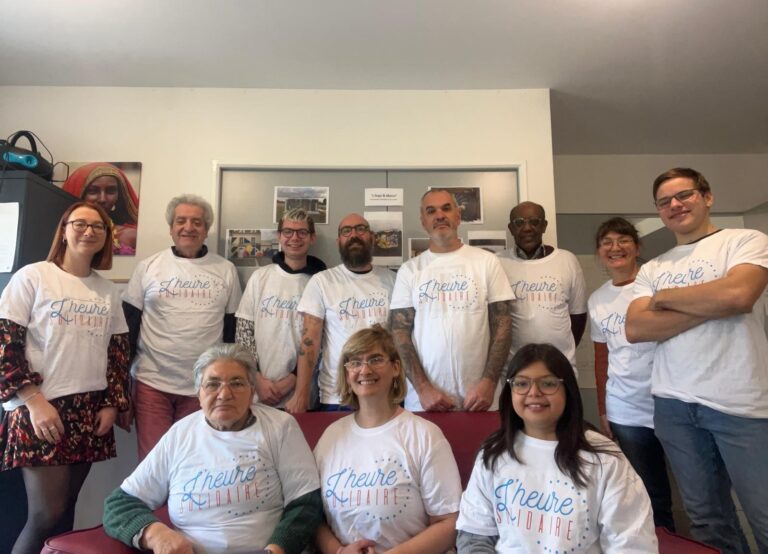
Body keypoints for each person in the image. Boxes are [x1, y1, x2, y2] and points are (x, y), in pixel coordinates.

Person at [626, 167, 768, 553]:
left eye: (684, 195)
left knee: (764, 515)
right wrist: (714, 301)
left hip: (742, 404)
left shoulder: (745, 241)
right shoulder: (653, 267)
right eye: (664, 201)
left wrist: (664, 298)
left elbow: (740, 295)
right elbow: (637, 328)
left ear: (707, 197)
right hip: (674, 405)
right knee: (707, 518)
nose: (675, 204)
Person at [103, 344, 322, 554]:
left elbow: (306, 502)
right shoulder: (180, 435)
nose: (224, 394)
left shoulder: (280, 427)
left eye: (236, 383)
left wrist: (277, 550)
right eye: (213, 384)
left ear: (252, 391)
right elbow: (120, 505)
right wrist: (156, 534)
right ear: (198, 393)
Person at [0, 201, 130, 553]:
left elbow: (117, 353)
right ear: (63, 230)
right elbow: (5, 343)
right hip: (41, 407)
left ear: (106, 238)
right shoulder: (33, 276)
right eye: (80, 224)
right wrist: (33, 401)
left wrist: (112, 404)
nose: (89, 231)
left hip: (88, 410)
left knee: (66, 512)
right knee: (46, 513)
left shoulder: (106, 290)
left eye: (98, 227)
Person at [456, 344, 657, 553]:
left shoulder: (604, 458)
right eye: (522, 384)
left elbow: (631, 544)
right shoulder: (493, 453)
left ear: (567, 390)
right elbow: (474, 536)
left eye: (548, 383)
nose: (534, 392)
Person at [313, 325, 461, 553]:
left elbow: (449, 524)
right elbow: (312, 517)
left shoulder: (425, 435)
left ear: (395, 367)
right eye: (355, 362)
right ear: (346, 373)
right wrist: (339, 551)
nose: (365, 369)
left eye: (375, 359)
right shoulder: (330, 437)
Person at [123, 194, 242, 460]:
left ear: (206, 229)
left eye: (197, 222)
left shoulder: (226, 270)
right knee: (154, 465)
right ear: (171, 228)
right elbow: (128, 332)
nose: (189, 227)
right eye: (181, 221)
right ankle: (156, 506)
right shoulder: (148, 267)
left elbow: (232, 332)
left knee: (194, 463)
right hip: (152, 385)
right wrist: (121, 390)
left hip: (204, 387)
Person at [390, 189, 514, 412]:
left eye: (446, 208)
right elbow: (399, 333)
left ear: (458, 216)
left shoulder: (487, 262)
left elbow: (503, 326)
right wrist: (423, 388)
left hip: (481, 399)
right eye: (431, 211)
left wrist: (489, 383)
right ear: (423, 221)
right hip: (425, 402)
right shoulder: (410, 271)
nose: (439, 215)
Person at [588, 217, 674, 530]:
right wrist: (603, 410)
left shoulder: (658, 284)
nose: (615, 248)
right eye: (607, 242)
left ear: (636, 247)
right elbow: (602, 358)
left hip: (672, 403)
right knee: (648, 495)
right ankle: (662, 542)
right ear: (599, 252)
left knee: (698, 491)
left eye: (623, 240)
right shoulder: (598, 299)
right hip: (626, 411)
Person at [287, 213, 396, 413]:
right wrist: (301, 393)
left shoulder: (392, 280)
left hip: (385, 393)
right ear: (339, 241)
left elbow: (400, 339)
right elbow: (310, 340)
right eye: (346, 231)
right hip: (337, 396)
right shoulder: (322, 281)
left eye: (360, 229)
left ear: (371, 237)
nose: (354, 235)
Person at [236, 209, 326, 408]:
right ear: (279, 236)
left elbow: (323, 338)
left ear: (312, 238)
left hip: (303, 397)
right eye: (288, 232)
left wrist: (294, 379)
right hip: (259, 392)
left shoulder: (320, 282)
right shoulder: (260, 277)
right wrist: (256, 378)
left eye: (302, 232)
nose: (294, 238)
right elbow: (244, 333)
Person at [497, 201, 587, 372]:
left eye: (534, 221)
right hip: (515, 367)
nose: (527, 228)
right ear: (511, 228)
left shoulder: (567, 260)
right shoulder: (498, 262)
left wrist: (561, 353)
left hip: (560, 365)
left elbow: (578, 317)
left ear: (544, 226)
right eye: (519, 222)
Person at [63, 162, 140, 255]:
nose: (102, 199)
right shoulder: (60, 234)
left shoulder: (130, 236)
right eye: (93, 191)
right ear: (78, 194)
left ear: (119, 196)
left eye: (110, 191)